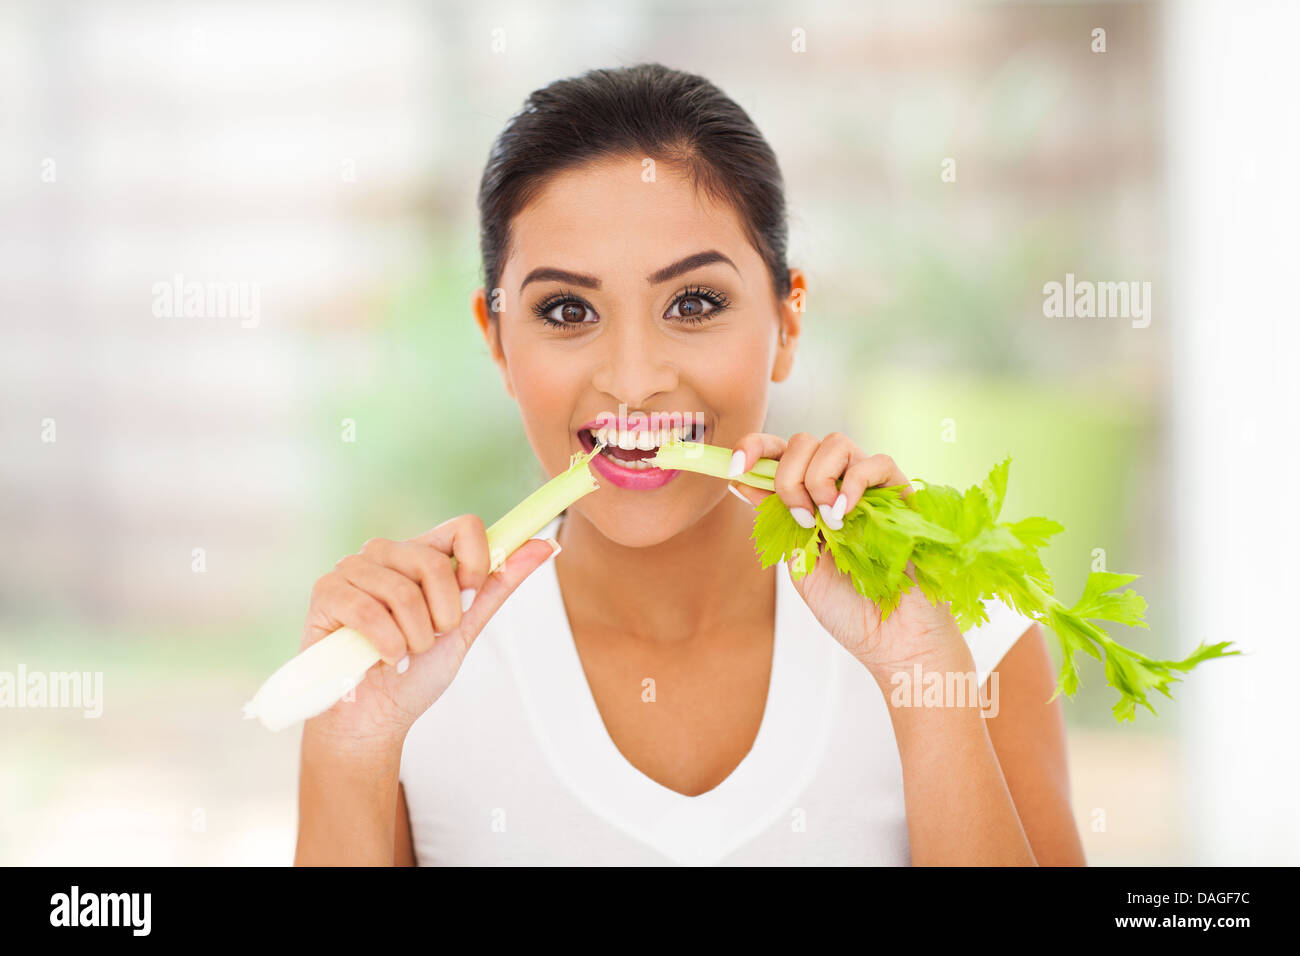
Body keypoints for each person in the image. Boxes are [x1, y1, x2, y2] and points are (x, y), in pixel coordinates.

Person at [294, 62, 1086, 866]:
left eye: (694, 303)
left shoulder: (961, 633)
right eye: (568, 311)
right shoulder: (401, 675)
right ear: (497, 340)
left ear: (788, 319)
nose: (634, 382)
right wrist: (350, 749)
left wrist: (923, 675)